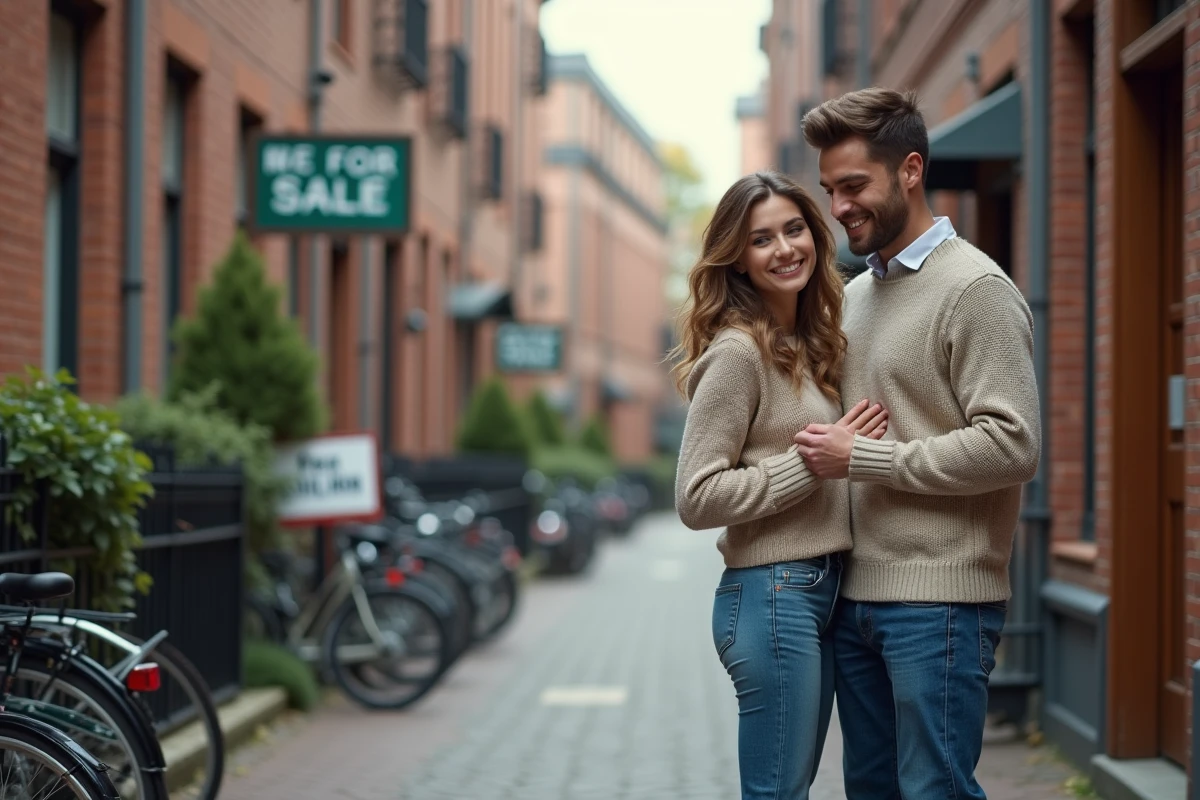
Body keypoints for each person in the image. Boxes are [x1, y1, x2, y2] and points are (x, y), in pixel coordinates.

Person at [794, 87, 1042, 800]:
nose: (838, 207)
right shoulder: (858, 296)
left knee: (934, 788)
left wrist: (865, 459)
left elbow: (1011, 444)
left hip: (940, 603)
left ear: (909, 170)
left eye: (852, 186)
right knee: (871, 789)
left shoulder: (975, 288)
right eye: (829, 190)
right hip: (855, 596)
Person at [672, 171, 888, 800]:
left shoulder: (806, 343)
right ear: (737, 258)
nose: (784, 248)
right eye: (761, 239)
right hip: (772, 595)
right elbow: (695, 497)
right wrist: (807, 467)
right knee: (777, 791)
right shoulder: (738, 354)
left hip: (821, 591)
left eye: (794, 229)